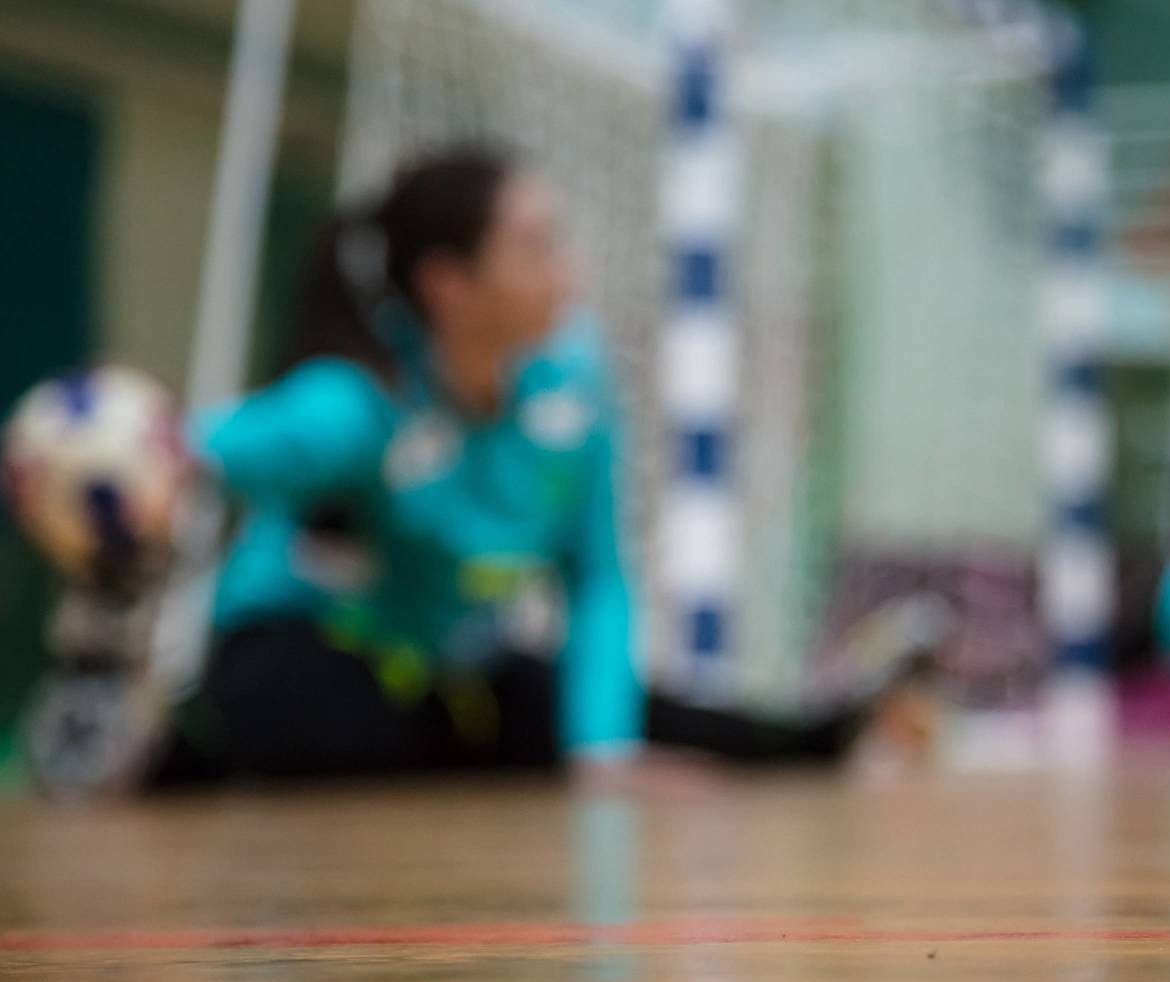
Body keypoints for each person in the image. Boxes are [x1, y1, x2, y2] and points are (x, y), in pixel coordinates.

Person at [33, 145, 936, 794]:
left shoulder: (575, 385)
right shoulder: (357, 401)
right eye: (536, 246)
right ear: (449, 286)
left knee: (606, 704)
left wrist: (601, 756)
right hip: (305, 645)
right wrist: (121, 457)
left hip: (451, 663)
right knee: (336, 726)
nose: (567, 267)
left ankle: (816, 737)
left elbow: (596, 579)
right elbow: (200, 448)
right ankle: (161, 748)